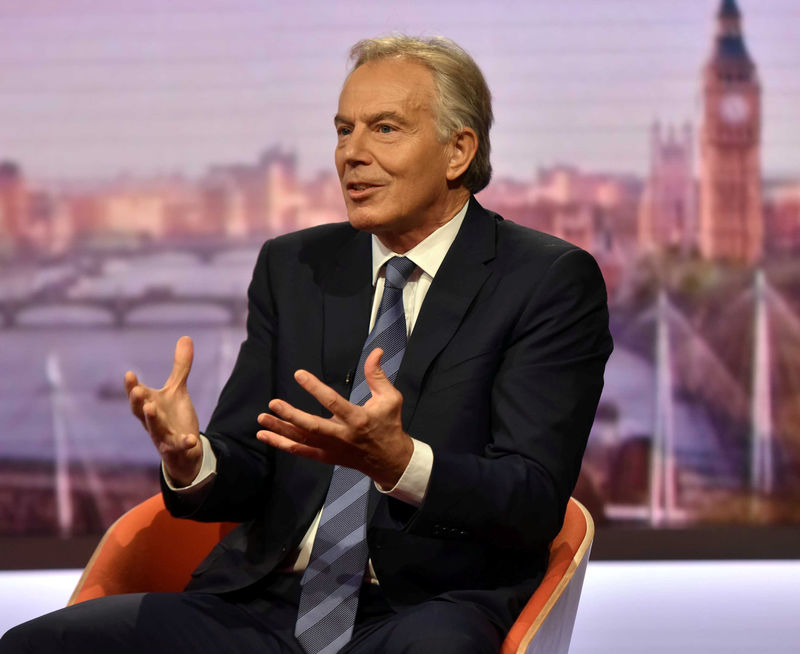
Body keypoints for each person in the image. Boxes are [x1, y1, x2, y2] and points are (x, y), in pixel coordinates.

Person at [1, 35, 612, 654]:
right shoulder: (295, 266)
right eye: (344, 130)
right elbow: (249, 464)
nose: (352, 154)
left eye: (385, 129)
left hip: (427, 605)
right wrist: (195, 461)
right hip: (261, 603)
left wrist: (400, 464)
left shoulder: (546, 280)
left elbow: (533, 497)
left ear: (458, 151)